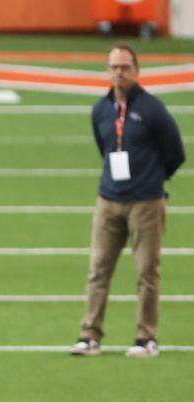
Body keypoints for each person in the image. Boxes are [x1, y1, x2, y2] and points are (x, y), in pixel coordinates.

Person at [71, 42, 184, 359]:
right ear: (107, 70)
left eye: (125, 67)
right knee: (98, 270)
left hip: (145, 202)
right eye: (114, 67)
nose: (119, 72)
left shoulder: (152, 109)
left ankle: (145, 338)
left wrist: (151, 180)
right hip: (109, 200)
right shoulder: (100, 109)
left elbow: (175, 152)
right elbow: (104, 148)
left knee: (146, 272)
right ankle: (89, 335)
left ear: (136, 71)